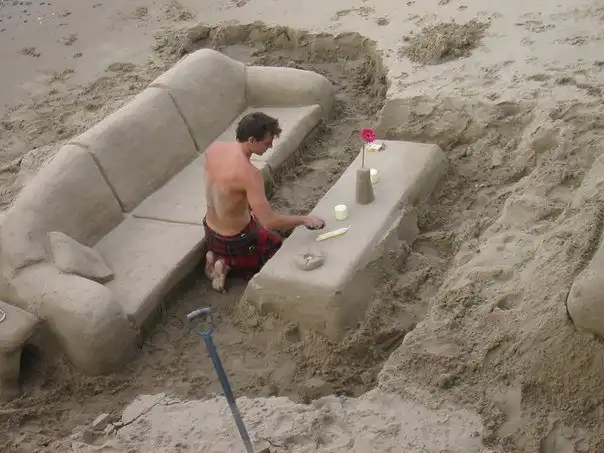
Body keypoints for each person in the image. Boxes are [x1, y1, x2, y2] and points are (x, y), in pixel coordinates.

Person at [203, 111, 325, 293]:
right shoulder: (249, 174)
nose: (270, 146)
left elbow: (225, 192)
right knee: (275, 247)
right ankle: (229, 263)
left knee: (251, 218)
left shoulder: (215, 149)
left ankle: (216, 256)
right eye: (267, 143)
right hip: (236, 239)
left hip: (210, 229)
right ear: (252, 140)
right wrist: (304, 219)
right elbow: (270, 221)